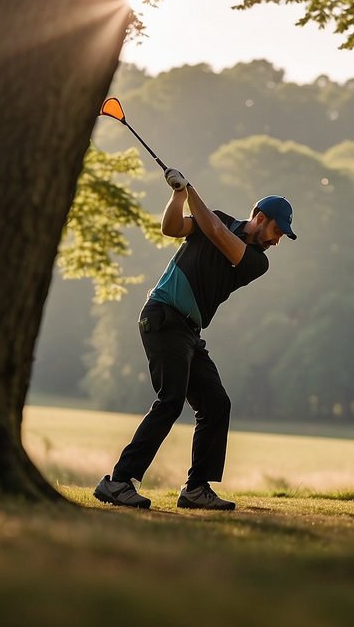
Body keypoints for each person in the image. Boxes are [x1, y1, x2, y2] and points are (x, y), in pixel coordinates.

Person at [94, 166, 296, 511]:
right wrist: (177, 196)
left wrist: (190, 189)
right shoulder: (213, 219)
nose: (277, 239)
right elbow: (172, 227)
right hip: (163, 316)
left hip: (188, 331)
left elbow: (216, 233)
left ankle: (196, 489)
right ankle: (118, 482)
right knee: (170, 400)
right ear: (260, 218)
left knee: (216, 404)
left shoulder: (256, 261)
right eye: (277, 230)